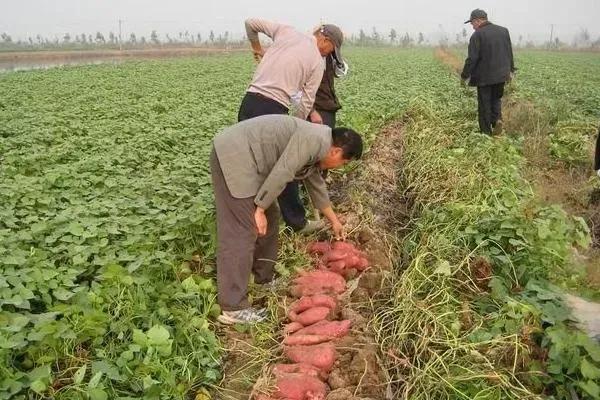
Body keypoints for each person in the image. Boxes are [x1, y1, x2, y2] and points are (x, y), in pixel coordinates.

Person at [210, 115, 363, 324]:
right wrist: (259, 208)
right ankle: (233, 307)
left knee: (272, 217)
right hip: (235, 157)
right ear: (336, 151)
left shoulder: (320, 144)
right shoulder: (313, 140)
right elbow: (283, 171)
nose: (340, 167)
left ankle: (264, 278)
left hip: (251, 161)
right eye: (343, 163)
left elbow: (316, 185)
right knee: (243, 229)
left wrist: (334, 220)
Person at [278, 54, 349, 235]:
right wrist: (313, 110)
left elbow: (314, 177)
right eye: (344, 161)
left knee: (312, 167)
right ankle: (295, 220)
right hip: (313, 114)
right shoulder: (307, 59)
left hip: (325, 110)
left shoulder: (330, 58)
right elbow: (279, 175)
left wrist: (333, 220)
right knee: (301, 166)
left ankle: (300, 216)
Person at [238, 19, 344, 122]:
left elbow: (250, 23)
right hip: (273, 110)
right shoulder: (318, 62)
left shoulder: (286, 31)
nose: (329, 54)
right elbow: (306, 103)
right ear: (326, 40)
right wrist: (295, 125)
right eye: (332, 50)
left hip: (249, 102)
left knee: (244, 140)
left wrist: (257, 48)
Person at [461, 9, 515, 135]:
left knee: (484, 104)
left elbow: (472, 59)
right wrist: (511, 70)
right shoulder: (503, 31)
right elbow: (509, 52)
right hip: (501, 75)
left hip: (484, 77)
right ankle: (497, 121)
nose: (472, 27)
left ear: (478, 20)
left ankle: (486, 133)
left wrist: (464, 76)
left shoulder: (477, 35)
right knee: (496, 100)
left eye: (472, 24)